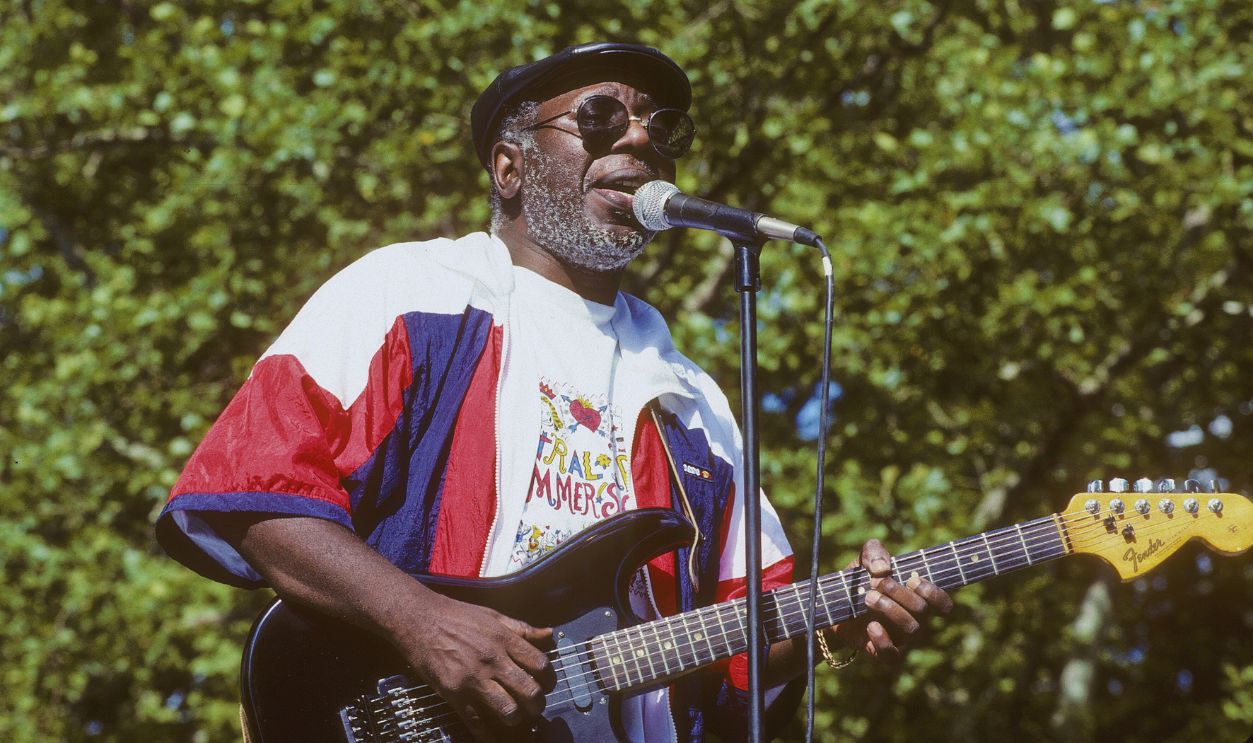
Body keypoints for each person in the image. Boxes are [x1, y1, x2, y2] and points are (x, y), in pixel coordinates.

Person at [155, 41, 952, 742]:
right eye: (599, 117)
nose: (637, 137)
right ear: (510, 167)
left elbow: (740, 634)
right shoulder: (410, 293)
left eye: (662, 126)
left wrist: (838, 622)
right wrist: (422, 620)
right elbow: (254, 494)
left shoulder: (690, 398)